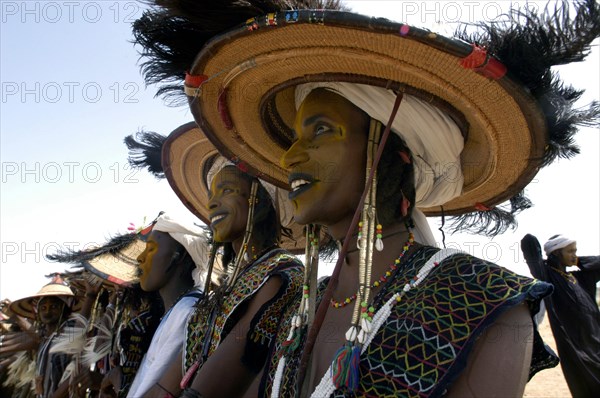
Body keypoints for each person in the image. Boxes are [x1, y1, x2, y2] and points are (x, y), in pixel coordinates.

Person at [131, 1, 598, 396]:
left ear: (388, 152)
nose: (292, 155)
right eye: (295, 135)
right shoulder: (302, 305)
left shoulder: (484, 299)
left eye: (320, 131)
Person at [124, 123, 305, 397]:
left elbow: (236, 365)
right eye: (212, 194)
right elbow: (168, 384)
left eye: (227, 191)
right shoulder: (228, 286)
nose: (211, 204)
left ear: (258, 201)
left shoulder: (281, 273)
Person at [125, 213, 207, 398]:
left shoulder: (187, 311)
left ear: (177, 257)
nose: (140, 257)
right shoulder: (177, 310)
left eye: (151, 249)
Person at [521, 233, 600, 397]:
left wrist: (578, 261)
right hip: (575, 343)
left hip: (596, 337)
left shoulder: (580, 278)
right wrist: (550, 259)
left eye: (575, 251)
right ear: (557, 253)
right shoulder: (548, 276)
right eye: (570, 251)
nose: (574, 255)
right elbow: (529, 242)